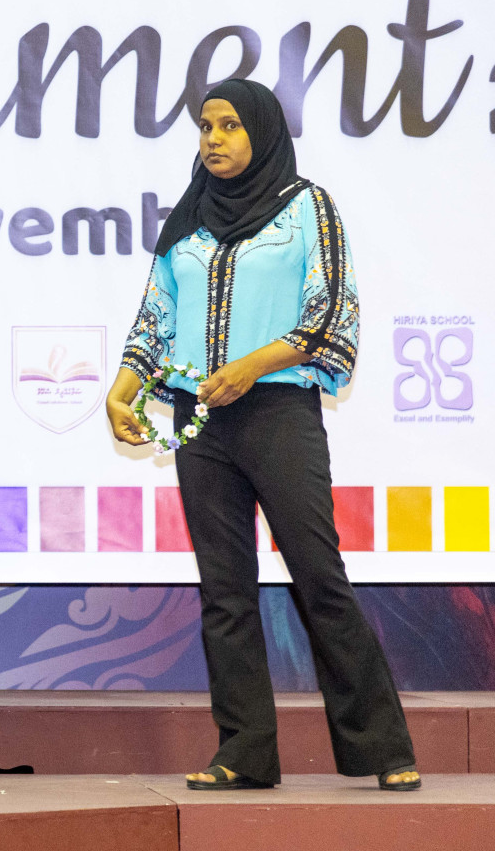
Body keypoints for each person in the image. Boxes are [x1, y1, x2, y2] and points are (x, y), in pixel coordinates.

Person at [106, 78, 420, 792]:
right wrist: (122, 392)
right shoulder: (188, 219)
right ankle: (244, 753)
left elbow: (329, 310)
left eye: (228, 126)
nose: (212, 139)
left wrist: (250, 366)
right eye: (204, 127)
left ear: (263, 133)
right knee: (224, 590)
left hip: (277, 411)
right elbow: (155, 316)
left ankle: (383, 748)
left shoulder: (308, 207)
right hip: (198, 419)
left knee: (318, 577)